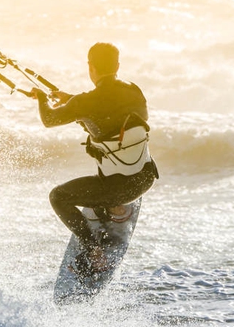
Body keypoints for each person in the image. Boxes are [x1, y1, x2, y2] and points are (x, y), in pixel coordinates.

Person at [31, 42, 158, 272]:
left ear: (90, 67)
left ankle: (94, 251)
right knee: (105, 146)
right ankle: (116, 209)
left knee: (58, 197)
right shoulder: (134, 90)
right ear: (117, 65)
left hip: (120, 188)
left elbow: (49, 119)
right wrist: (72, 102)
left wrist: (41, 98)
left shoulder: (85, 102)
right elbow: (111, 114)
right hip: (145, 176)